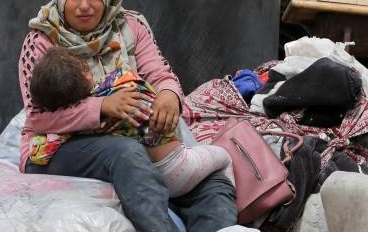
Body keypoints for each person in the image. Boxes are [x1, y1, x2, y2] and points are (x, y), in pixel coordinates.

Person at [18, 0, 238, 232]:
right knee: (124, 154)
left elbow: (160, 74)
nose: (84, 5)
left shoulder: (130, 27)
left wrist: (169, 96)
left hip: (131, 136)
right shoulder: (42, 40)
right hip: (59, 148)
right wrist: (102, 108)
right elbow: (38, 117)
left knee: (208, 180)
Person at [27, 46, 231, 197]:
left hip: (142, 179)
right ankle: (234, 216)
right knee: (224, 156)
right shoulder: (122, 88)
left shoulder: (73, 127)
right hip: (176, 167)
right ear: (86, 72)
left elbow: (38, 154)